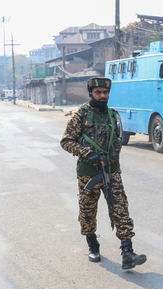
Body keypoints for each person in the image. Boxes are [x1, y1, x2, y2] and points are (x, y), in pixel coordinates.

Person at [60, 77, 146, 270]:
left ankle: (127, 252)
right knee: (88, 212)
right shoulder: (81, 115)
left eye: (105, 92)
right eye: (98, 92)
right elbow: (66, 141)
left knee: (120, 209)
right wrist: (87, 153)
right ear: (90, 93)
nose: (102, 96)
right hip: (88, 173)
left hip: (112, 171)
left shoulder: (113, 116)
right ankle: (93, 244)